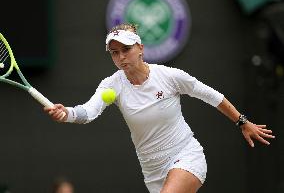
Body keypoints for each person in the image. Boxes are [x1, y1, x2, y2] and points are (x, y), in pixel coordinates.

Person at [45, 23, 275, 193]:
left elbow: (212, 96)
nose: (120, 57)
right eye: (115, 53)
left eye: (126, 49)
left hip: (185, 155)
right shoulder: (111, 85)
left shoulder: (170, 76)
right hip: (152, 171)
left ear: (141, 48)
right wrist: (66, 114)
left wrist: (242, 122)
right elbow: (88, 112)